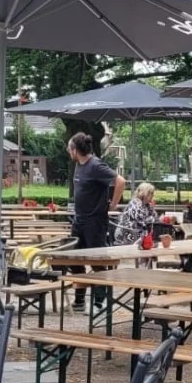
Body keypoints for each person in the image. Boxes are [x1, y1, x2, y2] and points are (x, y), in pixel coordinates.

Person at [67, 132, 126, 311]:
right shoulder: (79, 165)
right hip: (79, 220)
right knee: (75, 259)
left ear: (75, 149)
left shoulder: (95, 165)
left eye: (69, 148)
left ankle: (99, 302)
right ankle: (79, 300)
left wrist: (113, 204)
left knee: (97, 261)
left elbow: (120, 181)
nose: (68, 151)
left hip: (95, 221)